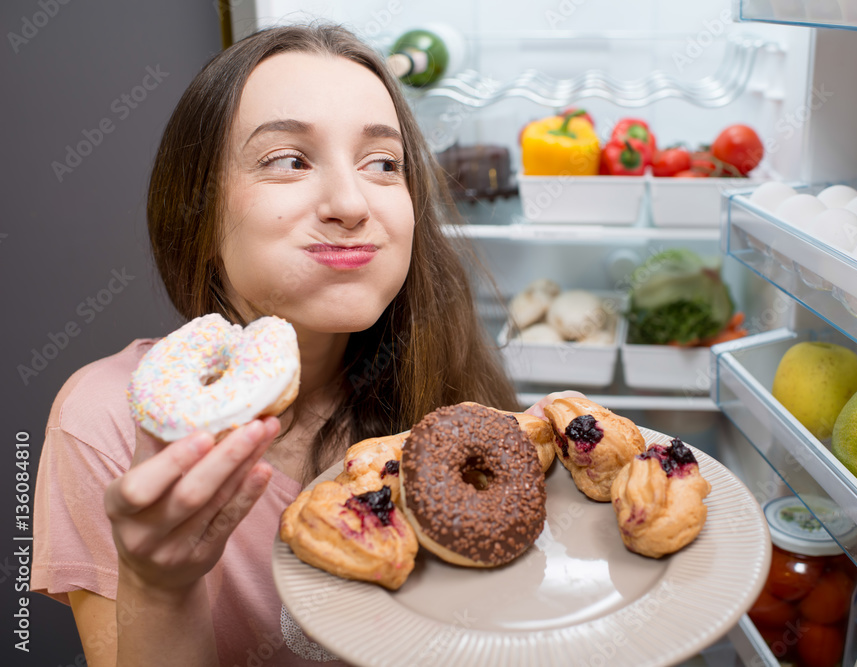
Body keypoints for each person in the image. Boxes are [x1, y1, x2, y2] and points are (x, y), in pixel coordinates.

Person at [30, 23, 549, 666]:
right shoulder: (109, 421)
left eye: (383, 164)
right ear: (198, 207)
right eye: (289, 161)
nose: (350, 202)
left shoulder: (446, 380)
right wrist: (159, 586)